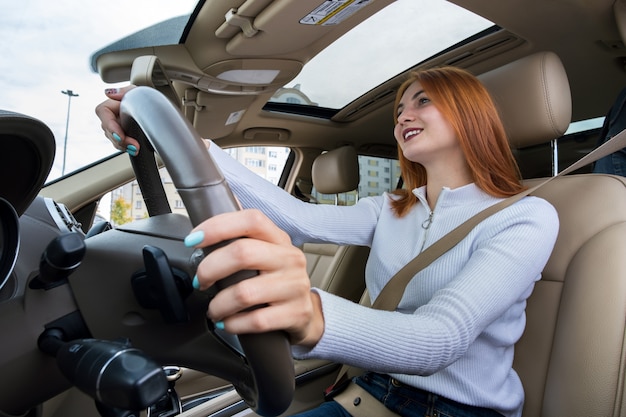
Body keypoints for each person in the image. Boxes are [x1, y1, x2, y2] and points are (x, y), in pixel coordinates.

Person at [95, 66, 559, 417]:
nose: (404, 116)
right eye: (400, 110)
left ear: (469, 115)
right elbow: (299, 219)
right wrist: (189, 143)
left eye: (422, 102)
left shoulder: (527, 216)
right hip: (370, 392)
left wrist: (312, 315)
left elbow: (441, 339)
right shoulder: (391, 207)